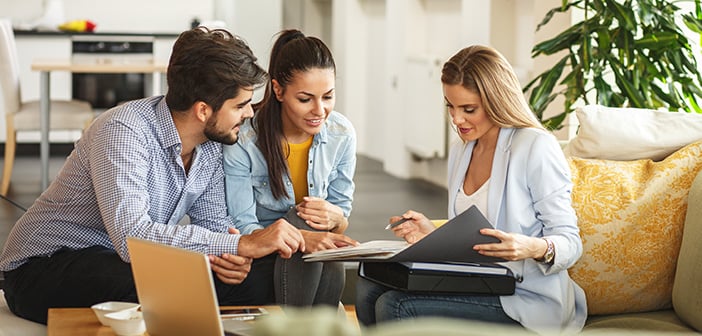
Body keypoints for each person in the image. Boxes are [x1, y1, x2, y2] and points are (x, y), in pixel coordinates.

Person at [0, 27, 306, 324]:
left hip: (121, 261)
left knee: (268, 278)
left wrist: (231, 259)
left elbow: (215, 227)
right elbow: (132, 237)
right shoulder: (124, 130)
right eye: (240, 105)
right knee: (170, 281)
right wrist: (240, 246)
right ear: (203, 110)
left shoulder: (212, 144)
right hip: (43, 267)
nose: (250, 113)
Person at [355, 45, 587, 334]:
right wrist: (433, 233)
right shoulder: (462, 151)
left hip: (525, 298)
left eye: (468, 109)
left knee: (396, 305)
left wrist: (532, 247)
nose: (456, 119)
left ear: (496, 101)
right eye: (450, 106)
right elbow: (474, 234)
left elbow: (570, 242)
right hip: (478, 283)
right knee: (368, 288)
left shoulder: (535, 147)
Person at [223, 29, 358, 307]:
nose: (319, 110)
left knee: (318, 232)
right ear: (278, 90)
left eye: (328, 97)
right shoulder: (245, 140)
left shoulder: (342, 133)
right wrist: (302, 236)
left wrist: (336, 219)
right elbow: (242, 224)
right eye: (305, 99)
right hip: (264, 252)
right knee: (300, 219)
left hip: (313, 255)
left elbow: (341, 216)